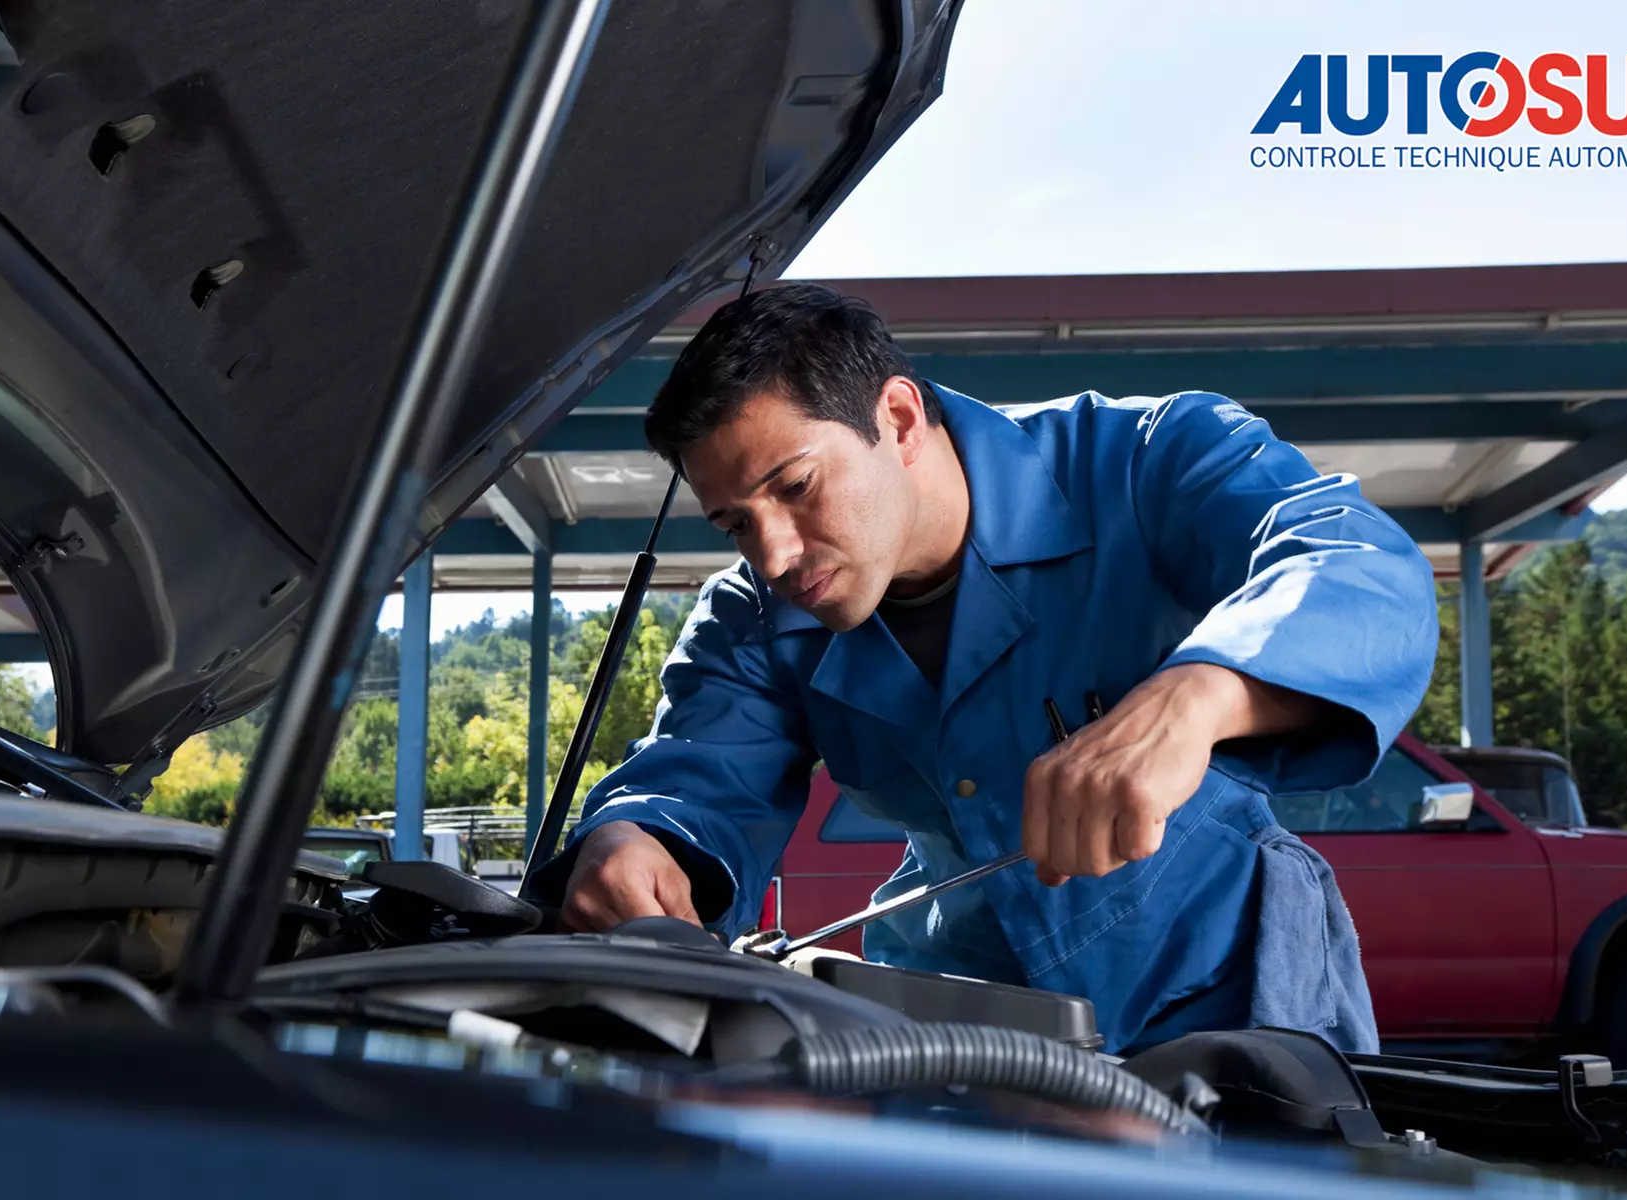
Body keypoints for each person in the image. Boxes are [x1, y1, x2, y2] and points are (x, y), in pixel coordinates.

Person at [529, 283, 1438, 1054]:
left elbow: (1358, 566)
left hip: (1232, 1003)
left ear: (896, 417)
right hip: (957, 1021)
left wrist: (1198, 693)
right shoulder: (751, 620)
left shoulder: (1151, 461)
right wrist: (637, 841)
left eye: (795, 487)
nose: (770, 554)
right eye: (734, 522)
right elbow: (696, 781)